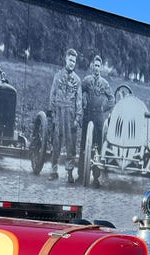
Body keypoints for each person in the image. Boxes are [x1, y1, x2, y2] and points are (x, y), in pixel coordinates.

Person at [79, 53, 114, 187]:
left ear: (101, 68)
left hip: (98, 117)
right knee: (83, 145)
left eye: (99, 66)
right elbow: (79, 92)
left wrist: (103, 108)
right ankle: (81, 174)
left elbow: (111, 99)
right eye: (95, 65)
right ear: (92, 66)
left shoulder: (105, 84)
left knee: (97, 147)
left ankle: (96, 177)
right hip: (87, 115)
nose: (97, 68)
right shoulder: (86, 80)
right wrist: (83, 100)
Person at [49, 48, 82, 183]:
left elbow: (79, 100)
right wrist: (52, 113)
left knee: (71, 145)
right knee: (56, 143)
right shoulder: (57, 76)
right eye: (70, 60)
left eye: (74, 61)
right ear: (65, 59)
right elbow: (52, 94)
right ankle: (53, 170)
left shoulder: (77, 80)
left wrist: (78, 117)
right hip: (59, 112)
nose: (72, 63)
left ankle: (69, 172)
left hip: (70, 114)